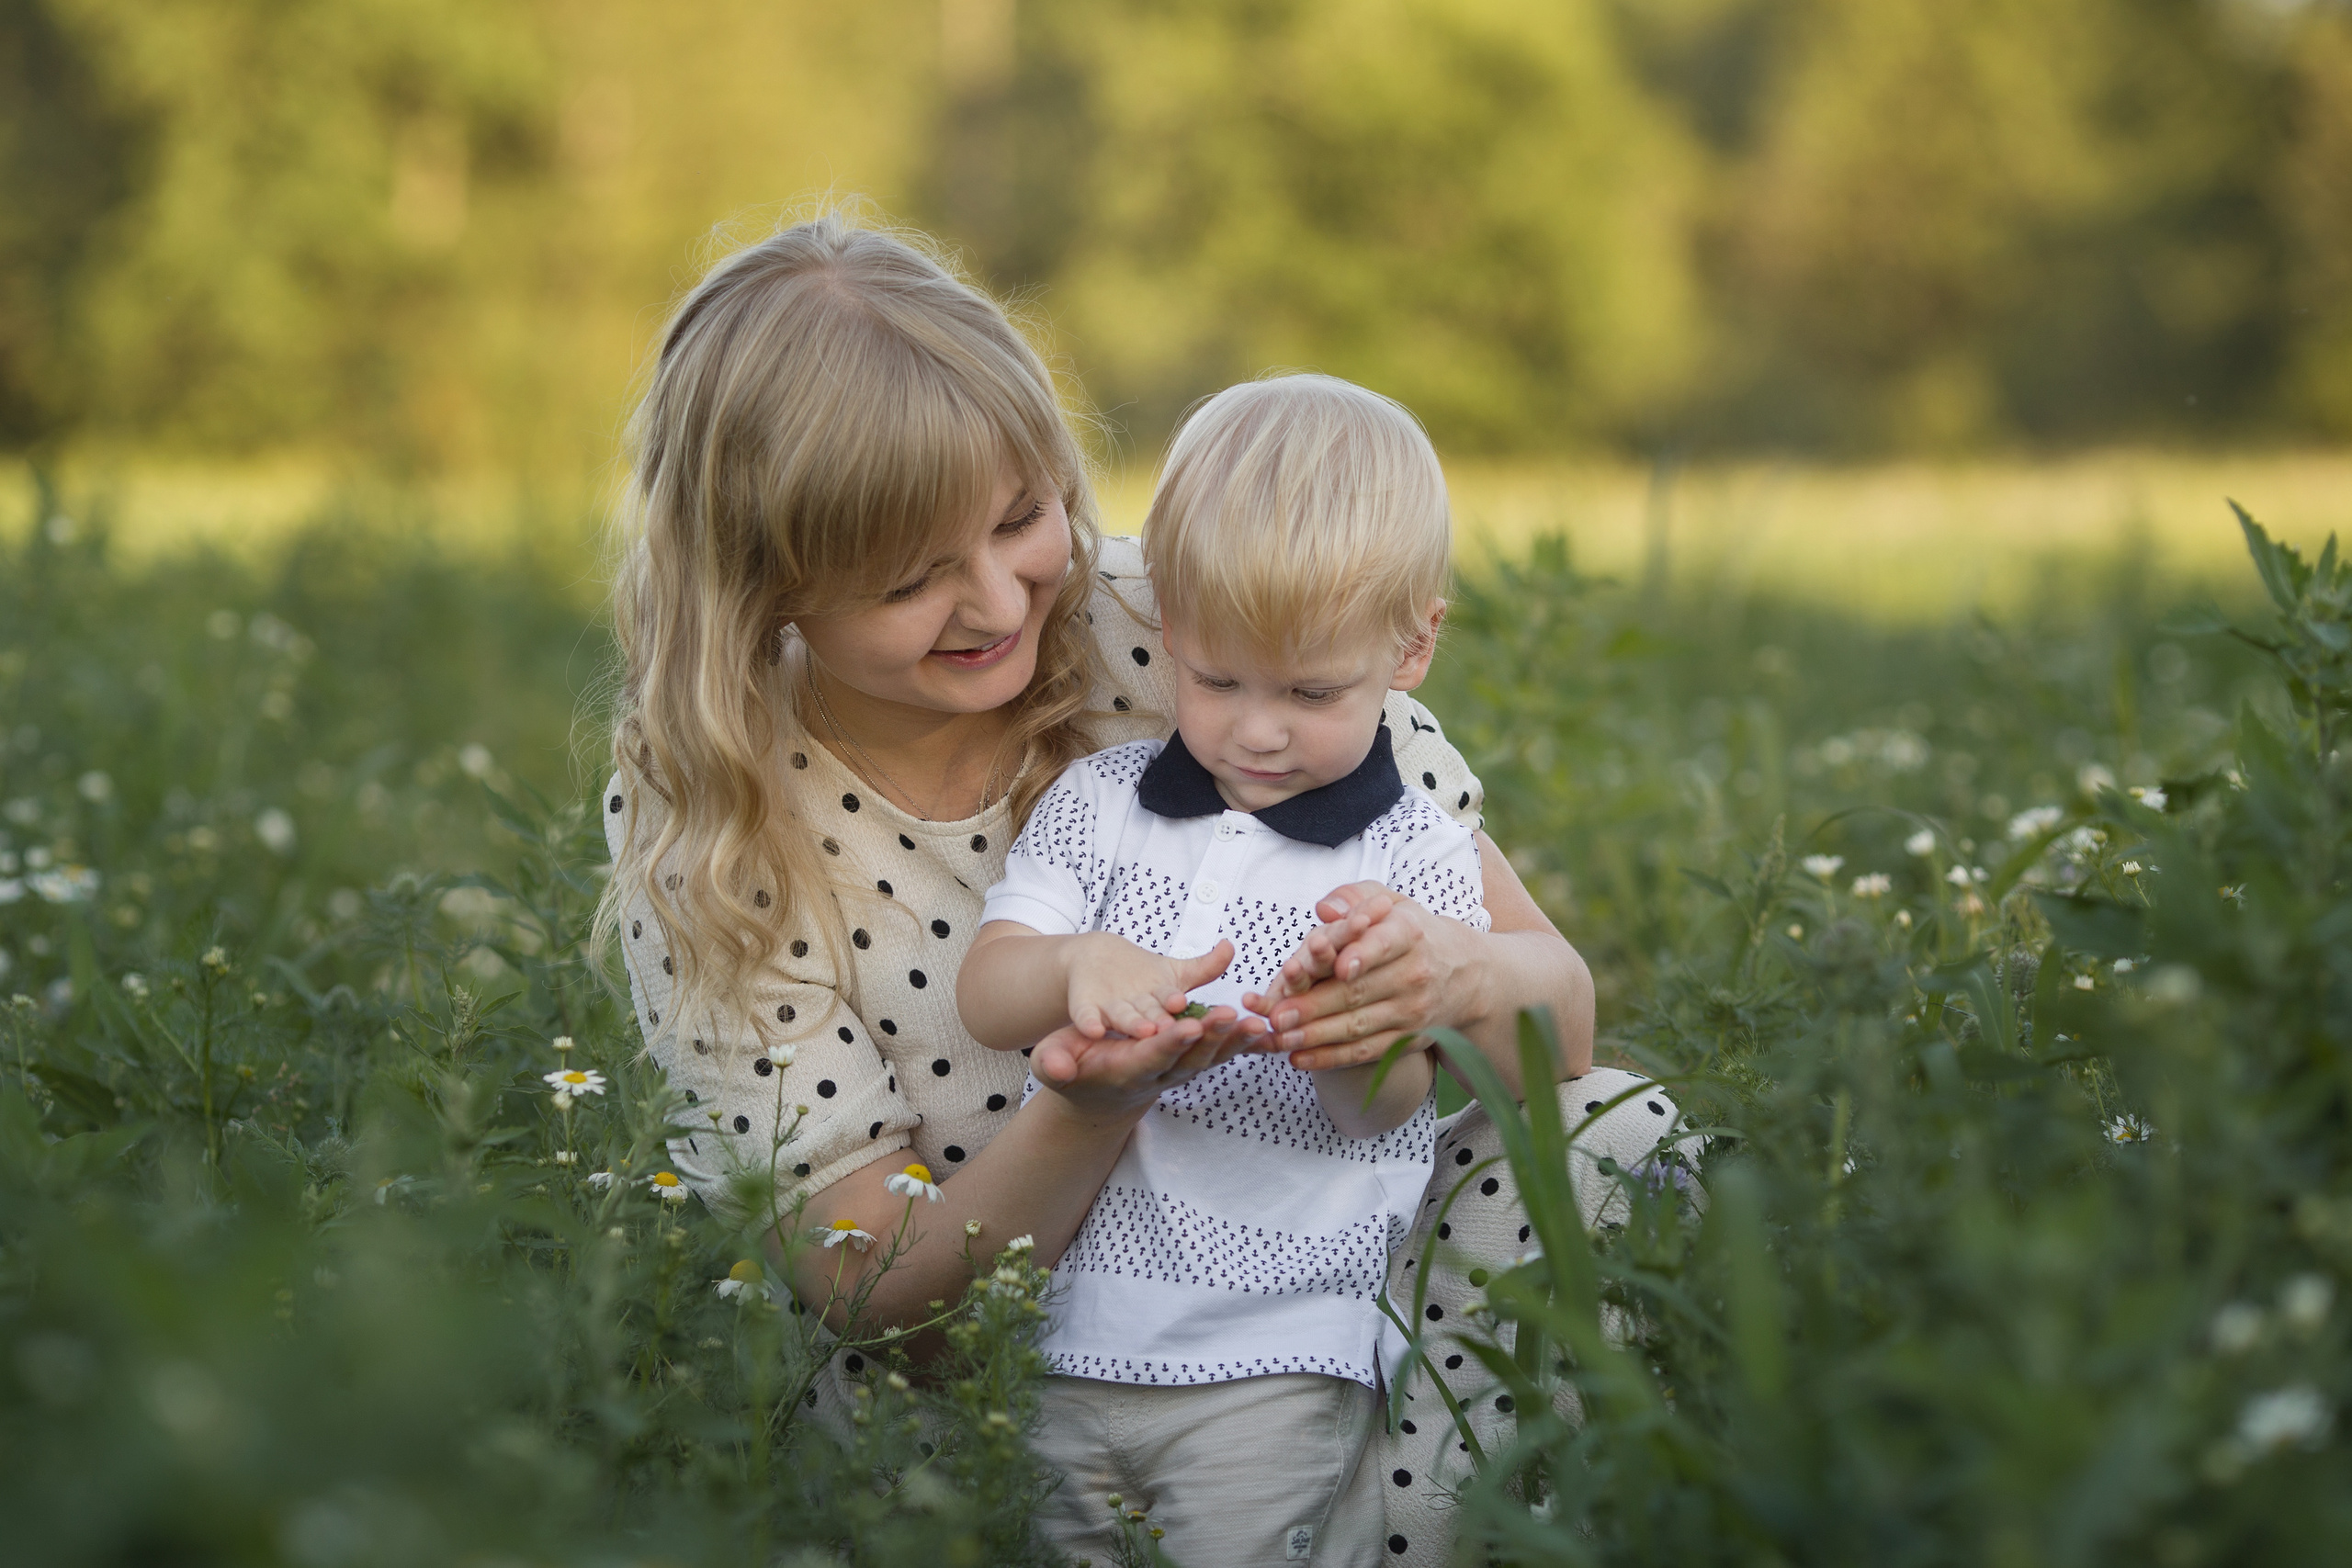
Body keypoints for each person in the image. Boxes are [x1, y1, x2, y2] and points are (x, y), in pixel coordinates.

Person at [597, 210, 1685, 1568]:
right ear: (768, 587)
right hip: (1003, 1349)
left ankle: (1456, 1514)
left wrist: (1450, 985)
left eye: (1018, 520)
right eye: (911, 578)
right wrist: (1093, 1103)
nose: (1000, 600)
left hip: (1323, 1256)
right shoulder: (720, 817)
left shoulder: (1202, 629)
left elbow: (1558, 1015)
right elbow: (863, 1280)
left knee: (1610, 1131)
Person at [957, 373, 1482, 1565]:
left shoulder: (1414, 858)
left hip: (1286, 1347)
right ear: (1169, 633)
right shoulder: (1102, 806)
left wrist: (1346, 1026)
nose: (1256, 730)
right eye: (1218, 681)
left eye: (1311, 692)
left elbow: (1388, 1114)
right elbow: (989, 993)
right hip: (1071, 1334)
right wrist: (1077, 965)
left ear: (1412, 648)